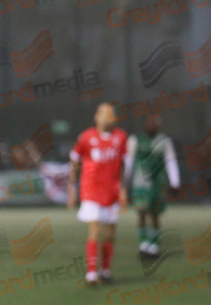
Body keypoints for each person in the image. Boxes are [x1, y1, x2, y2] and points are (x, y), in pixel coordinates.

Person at [67, 103, 128, 286]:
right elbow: (74, 159)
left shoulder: (120, 137)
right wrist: (71, 185)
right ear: (96, 116)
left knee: (109, 234)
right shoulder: (86, 137)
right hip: (91, 191)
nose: (107, 118)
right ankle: (91, 274)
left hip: (111, 192)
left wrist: (123, 188)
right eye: (103, 114)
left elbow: (123, 164)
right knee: (94, 231)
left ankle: (106, 271)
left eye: (111, 115)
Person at [124, 114, 181, 257]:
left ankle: (154, 245)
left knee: (155, 214)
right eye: (150, 122)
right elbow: (129, 163)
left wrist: (175, 183)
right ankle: (144, 244)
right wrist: (125, 183)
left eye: (155, 123)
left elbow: (171, 162)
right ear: (145, 124)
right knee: (142, 213)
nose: (153, 125)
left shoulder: (164, 141)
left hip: (158, 183)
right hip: (140, 183)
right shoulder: (135, 140)